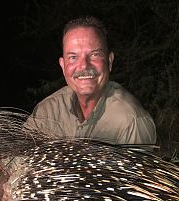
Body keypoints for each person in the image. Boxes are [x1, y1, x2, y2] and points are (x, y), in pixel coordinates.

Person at [24, 16, 156, 145]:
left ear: (109, 62)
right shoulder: (47, 111)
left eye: (94, 55)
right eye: (73, 57)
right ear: (63, 66)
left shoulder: (131, 121)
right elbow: (14, 160)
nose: (84, 65)